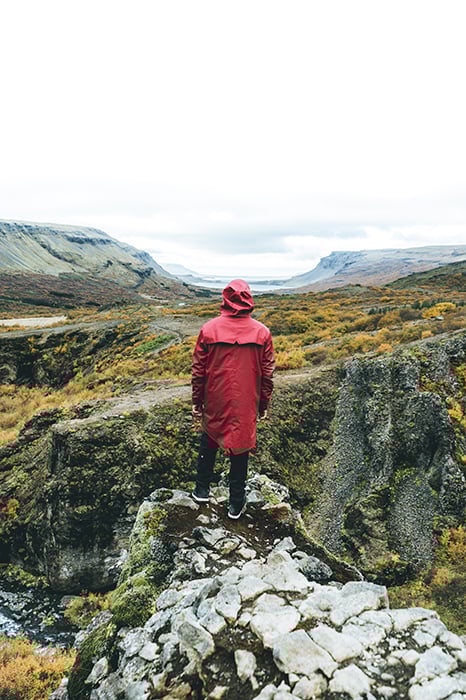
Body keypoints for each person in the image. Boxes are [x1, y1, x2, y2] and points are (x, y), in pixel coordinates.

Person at [191, 279, 275, 519]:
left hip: (215, 396)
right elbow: (267, 374)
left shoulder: (209, 329)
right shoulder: (262, 332)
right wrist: (263, 404)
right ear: (249, 299)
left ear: (225, 299)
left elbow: (198, 371)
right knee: (240, 446)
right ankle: (236, 503)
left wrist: (198, 402)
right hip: (247, 400)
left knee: (210, 436)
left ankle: (201, 489)